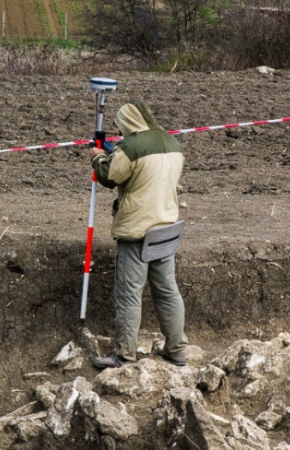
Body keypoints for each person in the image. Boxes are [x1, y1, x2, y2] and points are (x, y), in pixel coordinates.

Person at [89, 100, 188, 369]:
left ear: (128, 123)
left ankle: (124, 356)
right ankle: (177, 350)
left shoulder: (130, 147)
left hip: (137, 232)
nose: (120, 133)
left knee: (129, 295)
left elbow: (110, 176)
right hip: (165, 228)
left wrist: (98, 155)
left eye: (121, 127)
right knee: (168, 292)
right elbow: (144, 168)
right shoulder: (171, 142)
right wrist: (114, 149)